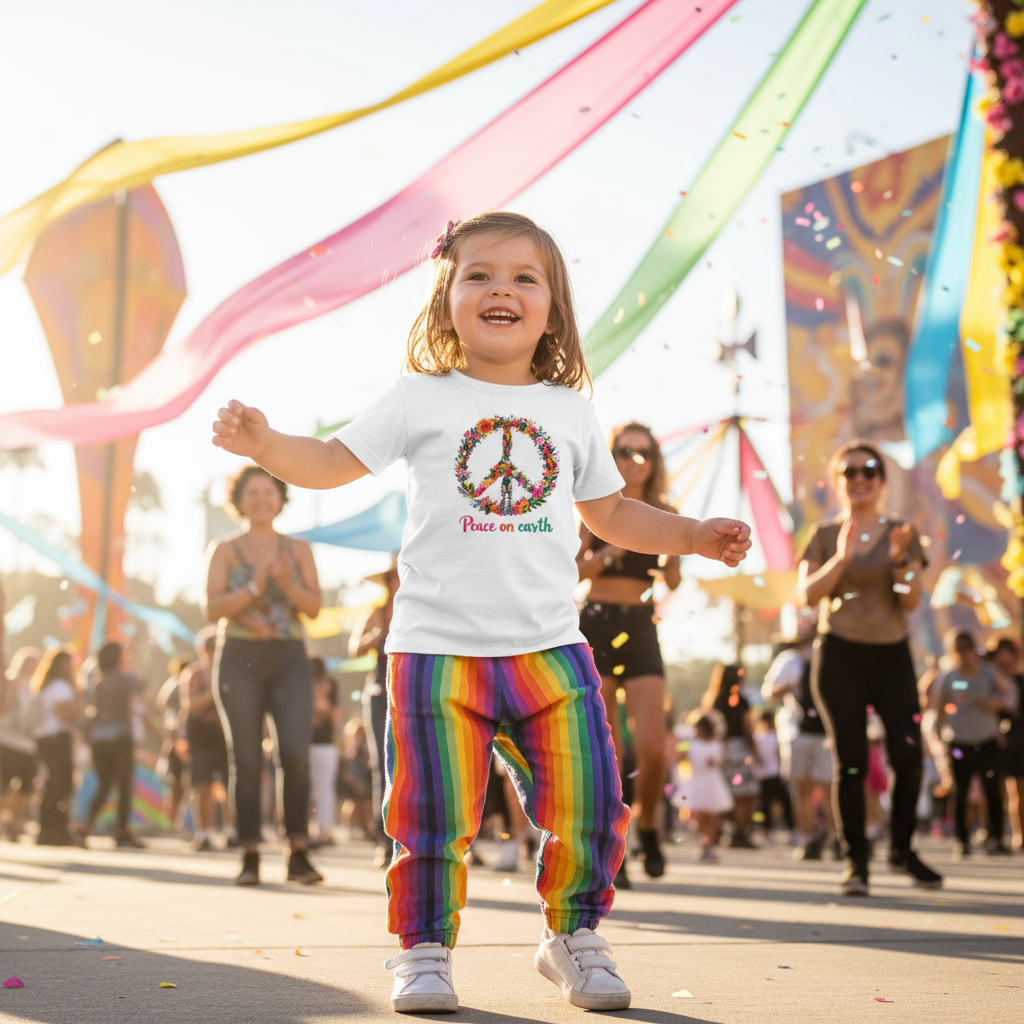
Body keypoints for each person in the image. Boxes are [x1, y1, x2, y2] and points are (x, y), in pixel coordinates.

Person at [210, 210, 751, 1014]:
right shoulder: (419, 397)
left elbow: (611, 512)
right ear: (447, 297)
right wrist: (267, 443)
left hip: (548, 648)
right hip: (434, 650)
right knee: (428, 813)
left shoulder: (568, 408)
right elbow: (327, 462)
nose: (502, 288)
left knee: (592, 799)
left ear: (553, 307)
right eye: (480, 275)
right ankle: (424, 950)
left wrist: (692, 534)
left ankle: (573, 934)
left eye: (525, 277)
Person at [798, 439, 942, 895]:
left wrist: (902, 561)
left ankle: (901, 849)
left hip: (891, 654)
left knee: (908, 758)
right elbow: (807, 596)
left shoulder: (902, 532)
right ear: (838, 482)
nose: (860, 478)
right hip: (838, 652)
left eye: (870, 470)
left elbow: (912, 599)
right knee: (852, 761)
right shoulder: (823, 534)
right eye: (850, 472)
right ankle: (855, 860)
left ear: (881, 480)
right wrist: (842, 556)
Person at [203, 463, 324, 887]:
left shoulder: (298, 550)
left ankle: (298, 851)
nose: (260, 499)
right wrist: (254, 586)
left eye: (268, 492)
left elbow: (313, 607)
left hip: (290, 657)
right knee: (247, 758)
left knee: (294, 754)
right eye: (252, 492)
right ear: (238, 499)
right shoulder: (224, 550)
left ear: (279, 499)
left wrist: (287, 583)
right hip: (239, 656)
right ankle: (250, 853)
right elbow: (212, 609)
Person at [576, 421, 681, 884]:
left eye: (644, 452)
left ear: (655, 460)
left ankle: (650, 826)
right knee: (610, 746)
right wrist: (611, 549)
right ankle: (613, 846)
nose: (634, 460)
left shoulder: (665, 512)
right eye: (624, 450)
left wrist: (674, 556)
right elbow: (574, 570)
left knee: (653, 747)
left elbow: (673, 583)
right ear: (611, 455)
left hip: (641, 626)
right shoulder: (594, 508)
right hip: (597, 621)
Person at [929, 630, 1015, 858]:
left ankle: (995, 839)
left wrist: (991, 704)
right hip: (958, 740)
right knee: (960, 791)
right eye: (959, 650)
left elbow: (1009, 699)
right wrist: (937, 734)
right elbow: (939, 707)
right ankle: (962, 840)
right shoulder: (948, 677)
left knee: (992, 791)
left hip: (987, 739)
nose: (964, 655)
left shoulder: (989, 674)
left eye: (967, 649)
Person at [762, 632, 836, 859]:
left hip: (827, 733)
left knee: (830, 788)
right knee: (802, 789)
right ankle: (808, 838)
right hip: (797, 731)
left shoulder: (832, 656)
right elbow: (769, 692)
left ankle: (836, 839)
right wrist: (788, 686)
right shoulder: (790, 659)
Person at [351, 557, 400, 869]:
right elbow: (354, 648)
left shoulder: (422, 609)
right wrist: (374, 637)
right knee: (383, 767)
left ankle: (411, 840)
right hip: (380, 694)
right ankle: (385, 841)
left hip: (413, 691)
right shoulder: (376, 613)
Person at [82, 641, 145, 848]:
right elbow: (142, 684)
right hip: (119, 737)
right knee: (124, 783)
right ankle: (121, 829)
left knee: (104, 783)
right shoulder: (123, 678)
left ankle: (86, 824)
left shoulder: (96, 681)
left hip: (99, 738)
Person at [182, 628, 234, 851]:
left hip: (226, 735)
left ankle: (233, 830)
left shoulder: (232, 671)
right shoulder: (194, 674)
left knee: (230, 785)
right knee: (202, 786)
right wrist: (214, 692)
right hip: (201, 736)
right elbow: (191, 705)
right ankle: (205, 832)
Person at [699, 664, 760, 847]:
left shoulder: (712, 700)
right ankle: (740, 832)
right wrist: (756, 752)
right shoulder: (741, 701)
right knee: (747, 794)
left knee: (724, 793)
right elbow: (747, 728)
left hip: (718, 749)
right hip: (738, 748)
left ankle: (716, 833)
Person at [30, 647, 78, 846]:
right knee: (60, 784)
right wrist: (81, 707)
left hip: (45, 739)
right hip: (56, 739)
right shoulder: (60, 686)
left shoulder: (46, 686)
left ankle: (48, 829)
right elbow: (64, 714)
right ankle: (54, 829)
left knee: (54, 783)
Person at [0, 647, 41, 841]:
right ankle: (8, 822)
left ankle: (16, 823)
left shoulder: (35, 687)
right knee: (6, 786)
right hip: (7, 740)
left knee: (26, 787)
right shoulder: (10, 681)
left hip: (27, 745)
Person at [988, 637, 1024, 850]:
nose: (1005, 657)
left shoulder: (1020, 681)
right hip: (992, 739)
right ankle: (995, 833)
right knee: (995, 790)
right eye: (1001, 652)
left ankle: (1019, 834)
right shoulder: (987, 679)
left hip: (1018, 737)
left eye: (1008, 652)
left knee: (1019, 789)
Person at [685, 714, 733, 861]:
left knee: (712, 815)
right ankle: (702, 843)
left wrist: (716, 763)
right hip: (698, 781)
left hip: (712, 781)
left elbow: (725, 760)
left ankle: (710, 843)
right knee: (700, 815)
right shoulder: (691, 744)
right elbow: (682, 755)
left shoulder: (718, 744)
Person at [155, 653, 192, 831]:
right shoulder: (175, 684)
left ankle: (175, 822)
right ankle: (169, 822)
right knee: (175, 784)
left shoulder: (183, 683)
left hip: (186, 739)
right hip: (177, 739)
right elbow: (164, 704)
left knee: (183, 784)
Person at [309, 656, 341, 845]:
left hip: (324, 743)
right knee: (318, 790)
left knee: (322, 790)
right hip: (312, 743)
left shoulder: (328, 685)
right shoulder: (299, 684)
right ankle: (318, 830)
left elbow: (333, 713)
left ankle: (323, 830)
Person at [751, 709, 793, 841]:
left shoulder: (778, 736)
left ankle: (791, 829)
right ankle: (766, 830)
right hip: (763, 776)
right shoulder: (756, 738)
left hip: (777, 774)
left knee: (785, 803)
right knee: (764, 805)